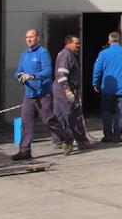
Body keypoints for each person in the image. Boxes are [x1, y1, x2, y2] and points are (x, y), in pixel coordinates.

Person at [12, 28, 73, 161]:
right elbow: (17, 71)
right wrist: (19, 76)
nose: (29, 39)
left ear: (38, 38)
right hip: (29, 94)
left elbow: (47, 72)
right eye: (27, 37)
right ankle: (24, 150)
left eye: (32, 37)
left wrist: (33, 76)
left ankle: (67, 137)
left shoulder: (43, 52)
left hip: (42, 93)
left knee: (49, 120)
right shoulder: (24, 54)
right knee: (26, 122)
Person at [91, 31, 122, 143]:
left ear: (109, 41)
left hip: (108, 88)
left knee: (106, 111)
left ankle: (108, 135)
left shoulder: (103, 54)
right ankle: (117, 136)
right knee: (120, 112)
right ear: (119, 40)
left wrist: (95, 83)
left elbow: (97, 69)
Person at [52, 34, 91, 154]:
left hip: (59, 91)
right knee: (71, 116)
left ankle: (58, 140)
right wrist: (68, 91)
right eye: (76, 43)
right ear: (68, 43)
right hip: (64, 91)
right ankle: (77, 140)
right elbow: (62, 74)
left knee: (59, 116)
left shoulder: (67, 54)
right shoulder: (66, 55)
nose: (79, 45)